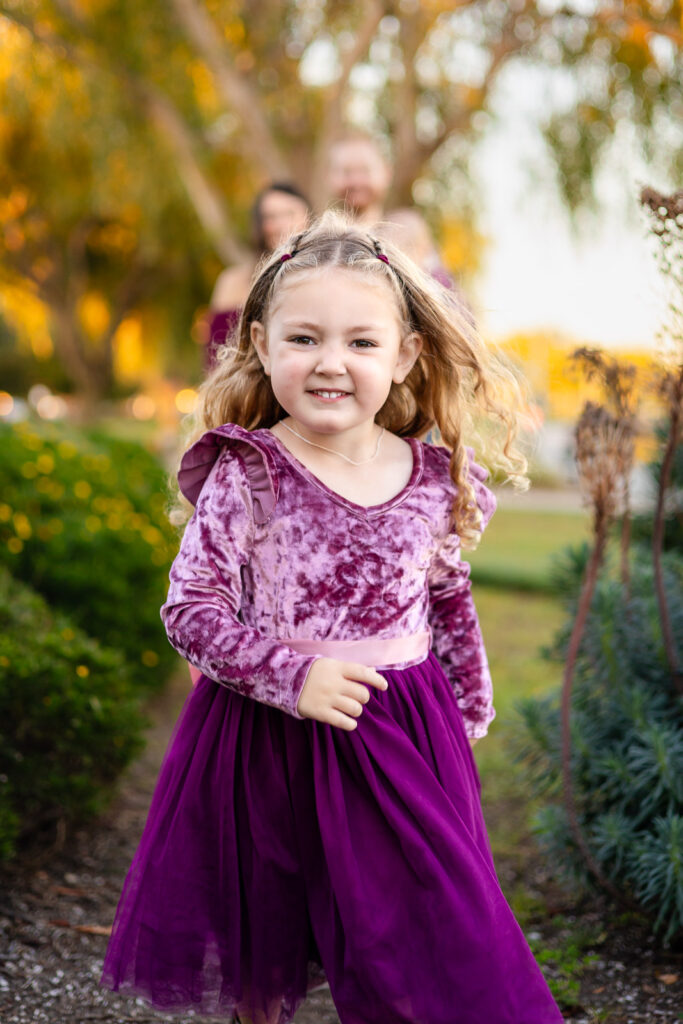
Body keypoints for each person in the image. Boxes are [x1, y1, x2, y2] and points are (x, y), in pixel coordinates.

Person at [101, 213, 563, 1024]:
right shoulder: (248, 472)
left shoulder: (432, 478)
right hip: (265, 742)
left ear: (405, 355)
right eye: (304, 339)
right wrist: (294, 675)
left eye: (360, 343)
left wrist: (466, 703)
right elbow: (190, 610)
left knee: (422, 934)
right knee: (265, 946)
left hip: (400, 736)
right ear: (261, 344)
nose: (330, 363)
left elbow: (446, 593)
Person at [206, 182, 311, 367]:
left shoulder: (322, 279)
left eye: (289, 214)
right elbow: (215, 356)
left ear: (308, 218)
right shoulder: (233, 281)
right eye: (271, 217)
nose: (281, 225)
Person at [325, 133, 392, 226]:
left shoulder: (407, 234)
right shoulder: (312, 237)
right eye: (346, 172)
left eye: (365, 171)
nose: (356, 182)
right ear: (330, 176)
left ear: (387, 173)